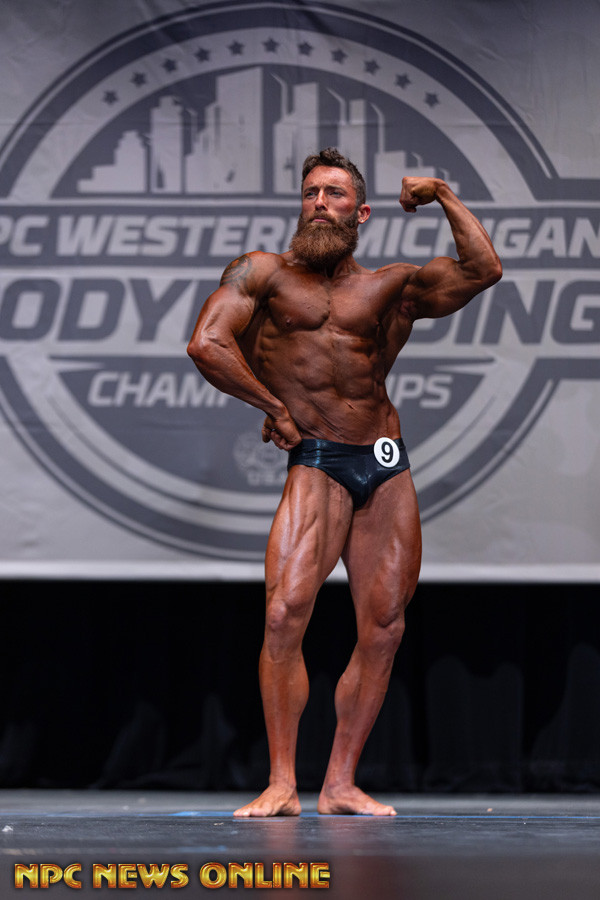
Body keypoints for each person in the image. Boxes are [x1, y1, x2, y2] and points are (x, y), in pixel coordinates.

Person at [187, 148, 502, 817]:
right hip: (317, 459)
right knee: (283, 616)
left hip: (384, 460)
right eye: (310, 193)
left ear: (361, 213)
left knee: (384, 628)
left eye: (334, 194)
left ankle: (339, 784)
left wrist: (443, 194)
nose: (320, 204)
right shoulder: (262, 274)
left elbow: (484, 270)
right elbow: (207, 344)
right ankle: (281, 782)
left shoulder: (390, 288)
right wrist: (273, 407)